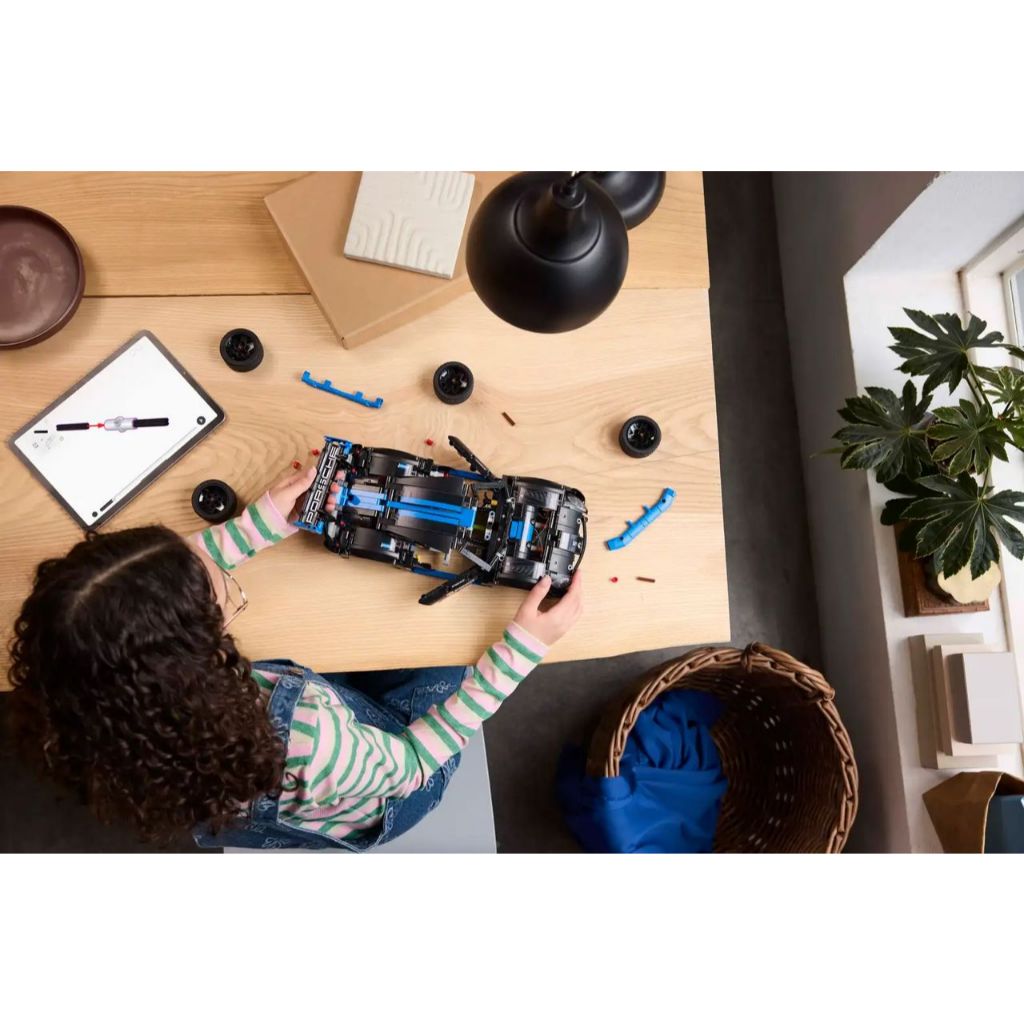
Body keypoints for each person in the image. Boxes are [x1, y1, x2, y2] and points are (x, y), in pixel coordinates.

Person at [7, 466, 584, 850]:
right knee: (448, 657)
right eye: (223, 596)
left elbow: (142, 596)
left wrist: (256, 526)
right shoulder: (308, 736)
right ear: (195, 661)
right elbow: (409, 767)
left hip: (283, 783)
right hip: (396, 780)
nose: (221, 572)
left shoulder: (88, 696)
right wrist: (520, 651)